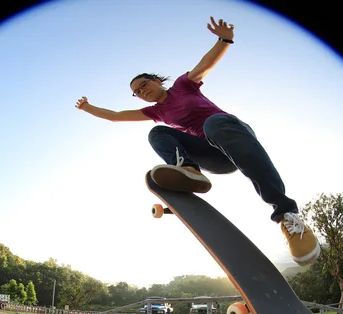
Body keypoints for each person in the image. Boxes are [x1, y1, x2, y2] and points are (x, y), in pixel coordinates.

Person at [75, 16, 320, 266]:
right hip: (215, 157)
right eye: (136, 92)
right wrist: (87, 108)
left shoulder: (183, 85)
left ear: (157, 81)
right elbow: (116, 116)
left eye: (144, 84)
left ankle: (286, 214)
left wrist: (224, 40)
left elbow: (204, 65)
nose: (142, 91)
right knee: (157, 133)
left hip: (232, 135)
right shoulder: (155, 113)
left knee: (212, 123)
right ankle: (190, 170)